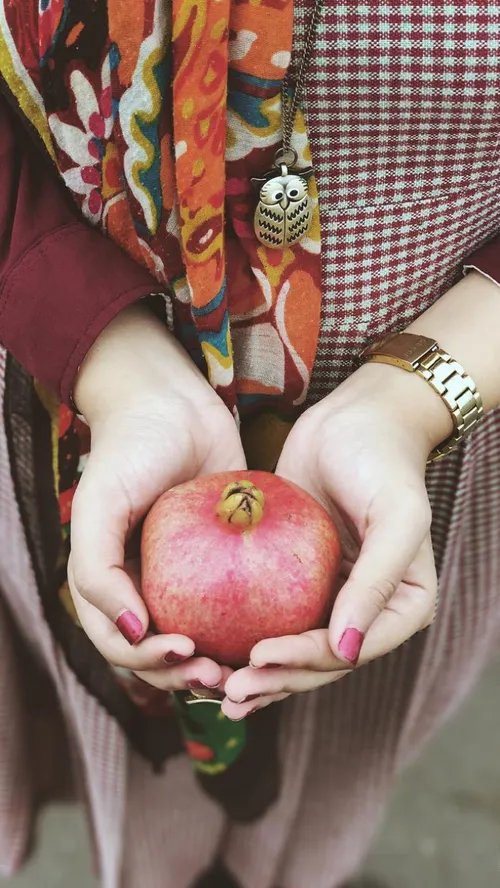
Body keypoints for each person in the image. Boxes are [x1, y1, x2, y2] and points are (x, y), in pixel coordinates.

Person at [1, 2, 500, 887]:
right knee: (127, 762)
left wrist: (420, 396)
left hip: (418, 470)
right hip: (79, 418)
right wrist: (113, 368)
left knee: (344, 748)